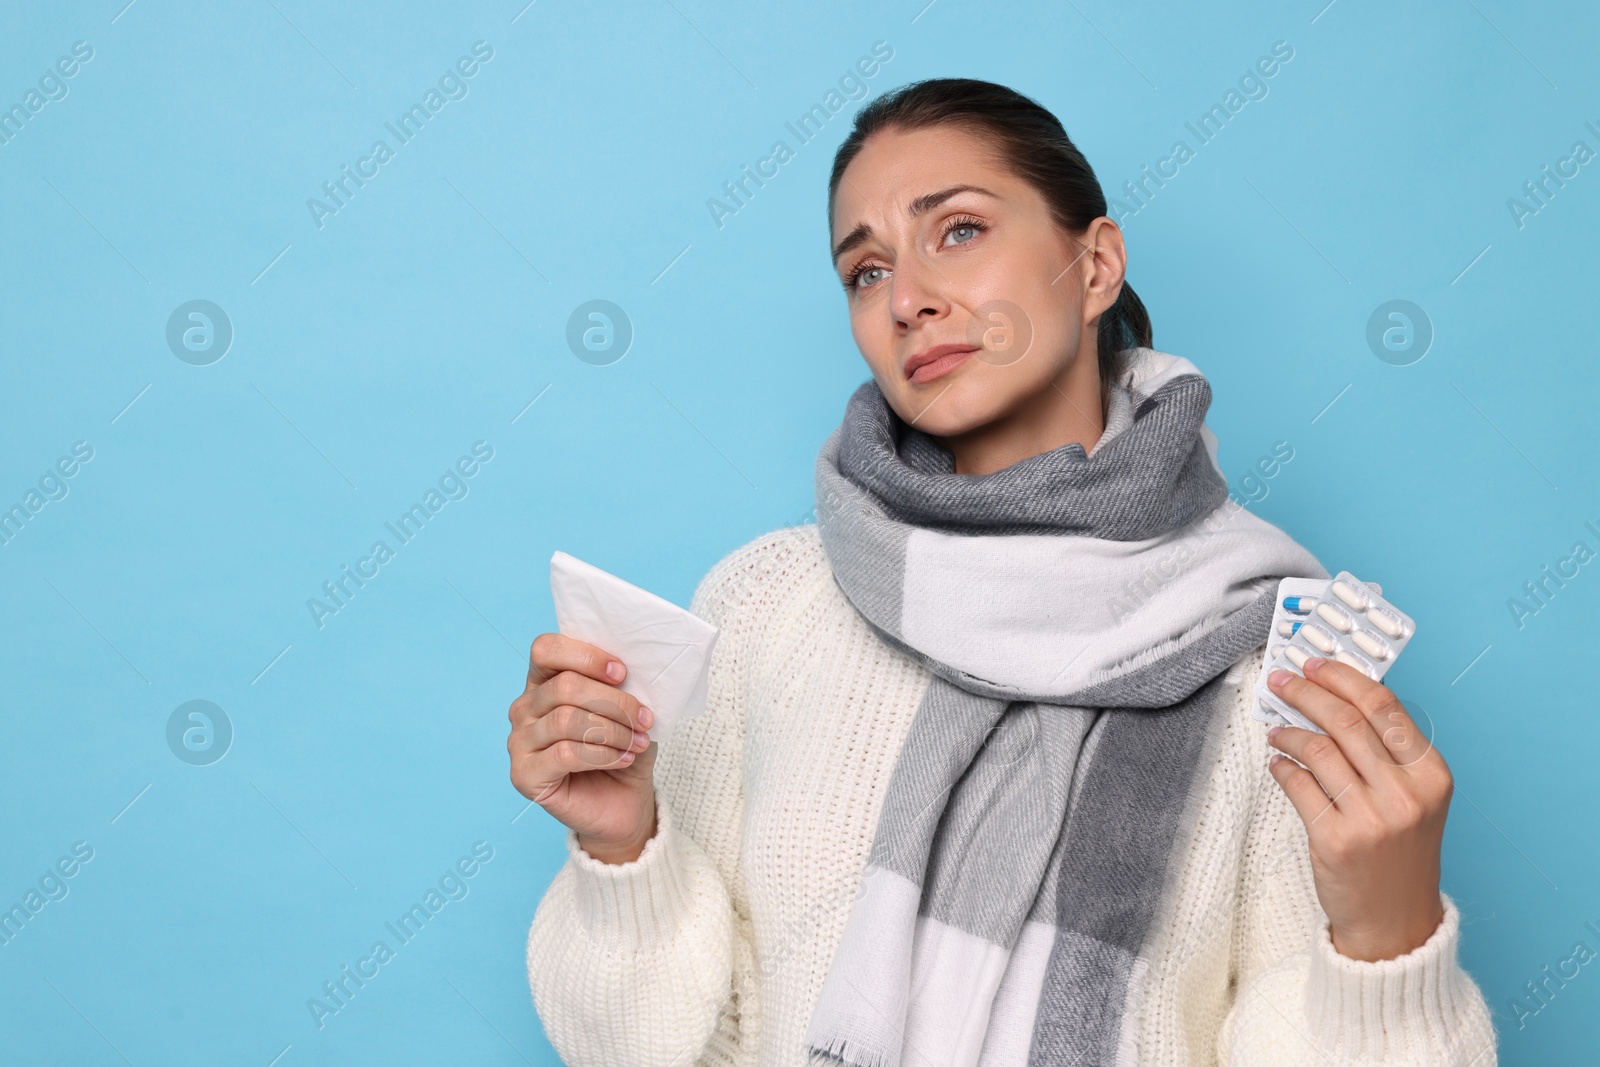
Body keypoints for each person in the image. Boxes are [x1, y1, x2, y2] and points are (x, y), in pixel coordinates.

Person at [507, 78, 1496, 1066]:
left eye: (961, 230)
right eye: (864, 270)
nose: (907, 299)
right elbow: (670, 1045)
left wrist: (1388, 933)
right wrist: (620, 847)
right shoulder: (768, 606)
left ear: (1096, 263)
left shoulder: (1272, 665)